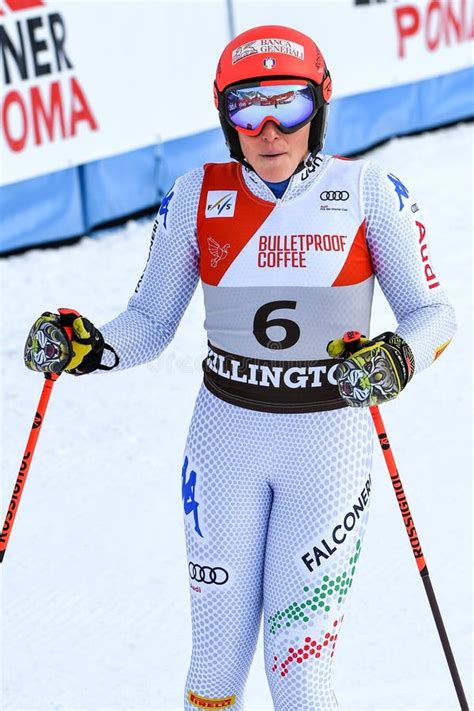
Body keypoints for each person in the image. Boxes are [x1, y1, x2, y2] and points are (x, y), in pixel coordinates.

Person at [24, 25, 455, 711]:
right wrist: (91, 348)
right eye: (246, 108)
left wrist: (398, 355)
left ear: (323, 101)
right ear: (222, 111)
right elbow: (150, 322)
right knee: (215, 668)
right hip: (225, 443)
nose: (269, 129)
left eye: (290, 105)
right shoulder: (197, 193)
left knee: (299, 676)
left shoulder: (371, 190)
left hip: (329, 449)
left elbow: (435, 314)